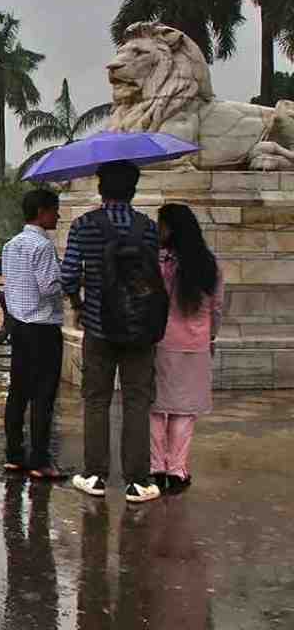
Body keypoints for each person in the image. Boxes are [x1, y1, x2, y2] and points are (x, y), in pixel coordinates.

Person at [62, 160, 163, 503]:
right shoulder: (148, 227)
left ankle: (95, 475)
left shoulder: (84, 225)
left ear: (101, 188)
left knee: (96, 400)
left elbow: (69, 275)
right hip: (140, 329)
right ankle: (138, 481)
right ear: (133, 190)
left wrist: (78, 305)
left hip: (99, 327)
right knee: (137, 401)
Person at [151, 204, 223, 495]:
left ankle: (155, 468)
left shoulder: (160, 262)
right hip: (196, 345)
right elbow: (216, 308)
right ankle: (177, 470)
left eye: (161, 224)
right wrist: (211, 337)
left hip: (161, 342)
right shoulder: (209, 263)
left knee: (155, 408)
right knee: (185, 411)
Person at [1, 189, 65, 479]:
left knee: (18, 392)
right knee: (43, 396)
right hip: (42, 327)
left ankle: (14, 454)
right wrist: (69, 277)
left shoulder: (11, 245)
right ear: (42, 212)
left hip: (19, 325)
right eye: (55, 210)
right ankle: (40, 459)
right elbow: (49, 287)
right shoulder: (42, 246)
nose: (58, 215)